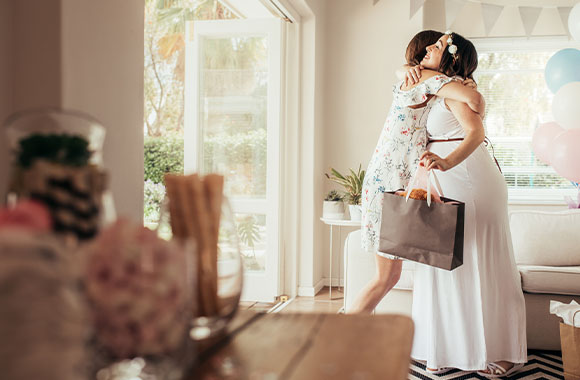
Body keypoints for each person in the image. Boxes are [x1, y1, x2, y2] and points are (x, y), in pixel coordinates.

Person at [407, 31, 527, 377]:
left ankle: (500, 352)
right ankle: (446, 347)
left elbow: (475, 133)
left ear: (450, 59)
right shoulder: (437, 84)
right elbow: (406, 69)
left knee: (478, 261)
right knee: (442, 263)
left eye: (439, 47)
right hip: (447, 178)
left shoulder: (454, 90)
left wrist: (447, 162)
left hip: (469, 175)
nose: (430, 50)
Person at [350, 31, 483, 314]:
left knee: (389, 277)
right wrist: (464, 85)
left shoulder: (431, 85)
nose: (433, 50)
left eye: (439, 46)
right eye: (433, 46)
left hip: (395, 183)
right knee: (385, 277)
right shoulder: (423, 79)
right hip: (388, 184)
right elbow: (477, 100)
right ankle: (340, 339)